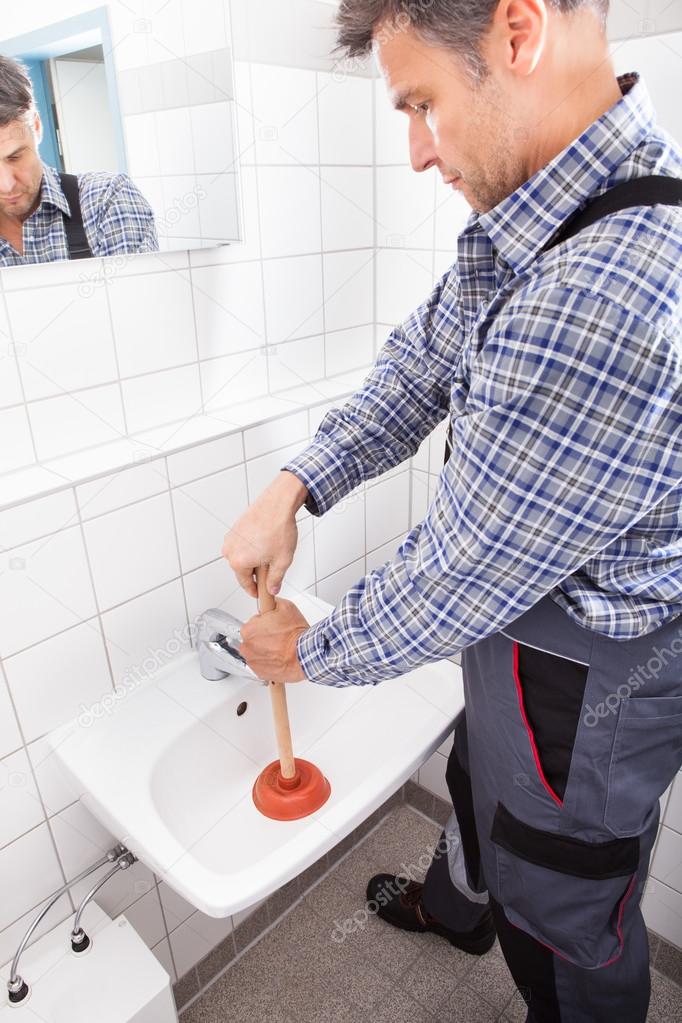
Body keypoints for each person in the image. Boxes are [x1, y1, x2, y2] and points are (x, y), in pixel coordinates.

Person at [222, 1, 682, 1019]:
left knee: (561, 890)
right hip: (519, 628)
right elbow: (422, 361)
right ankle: (460, 907)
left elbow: (459, 574)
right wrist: (294, 485)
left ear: (517, 33)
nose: (419, 152)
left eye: (422, 103)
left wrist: (304, 651)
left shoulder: (607, 283)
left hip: (585, 670)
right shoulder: (545, 210)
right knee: (480, 771)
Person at [0, 55, 157, 265]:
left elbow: (138, 296)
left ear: (36, 127)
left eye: (15, 156)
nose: (6, 184)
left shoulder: (107, 200)